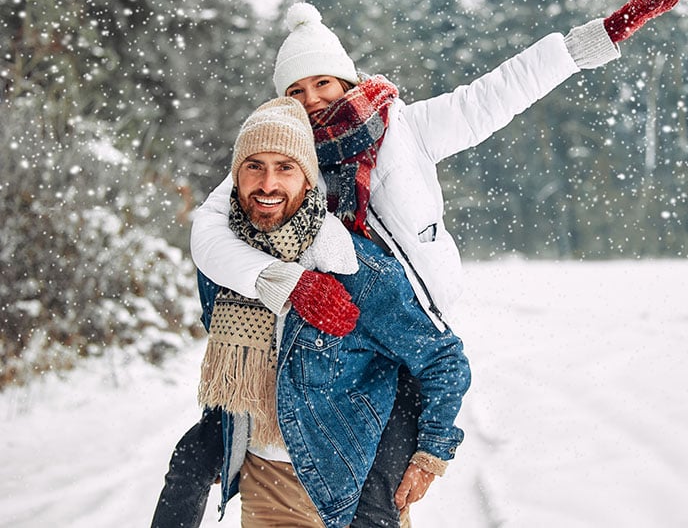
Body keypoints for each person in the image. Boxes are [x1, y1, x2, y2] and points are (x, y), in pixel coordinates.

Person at [153, 0, 682, 527]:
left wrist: (585, 45)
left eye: (323, 83)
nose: (312, 99)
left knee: (375, 506)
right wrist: (283, 282)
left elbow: (493, 96)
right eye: (297, 89)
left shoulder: (404, 130)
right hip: (335, 338)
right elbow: (210, 234)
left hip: (402, 327)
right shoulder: (277, 155)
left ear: (347, 80)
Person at [160, 96, 471, 528]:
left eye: (285, 167)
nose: (267, 183)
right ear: (235, 178)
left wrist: (431, 453)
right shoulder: (223, 269)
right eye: (254, 166)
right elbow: (242, 368)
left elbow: (443, 360)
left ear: (309, 180)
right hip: (263, 483)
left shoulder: (359, 272)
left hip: (347, 488)